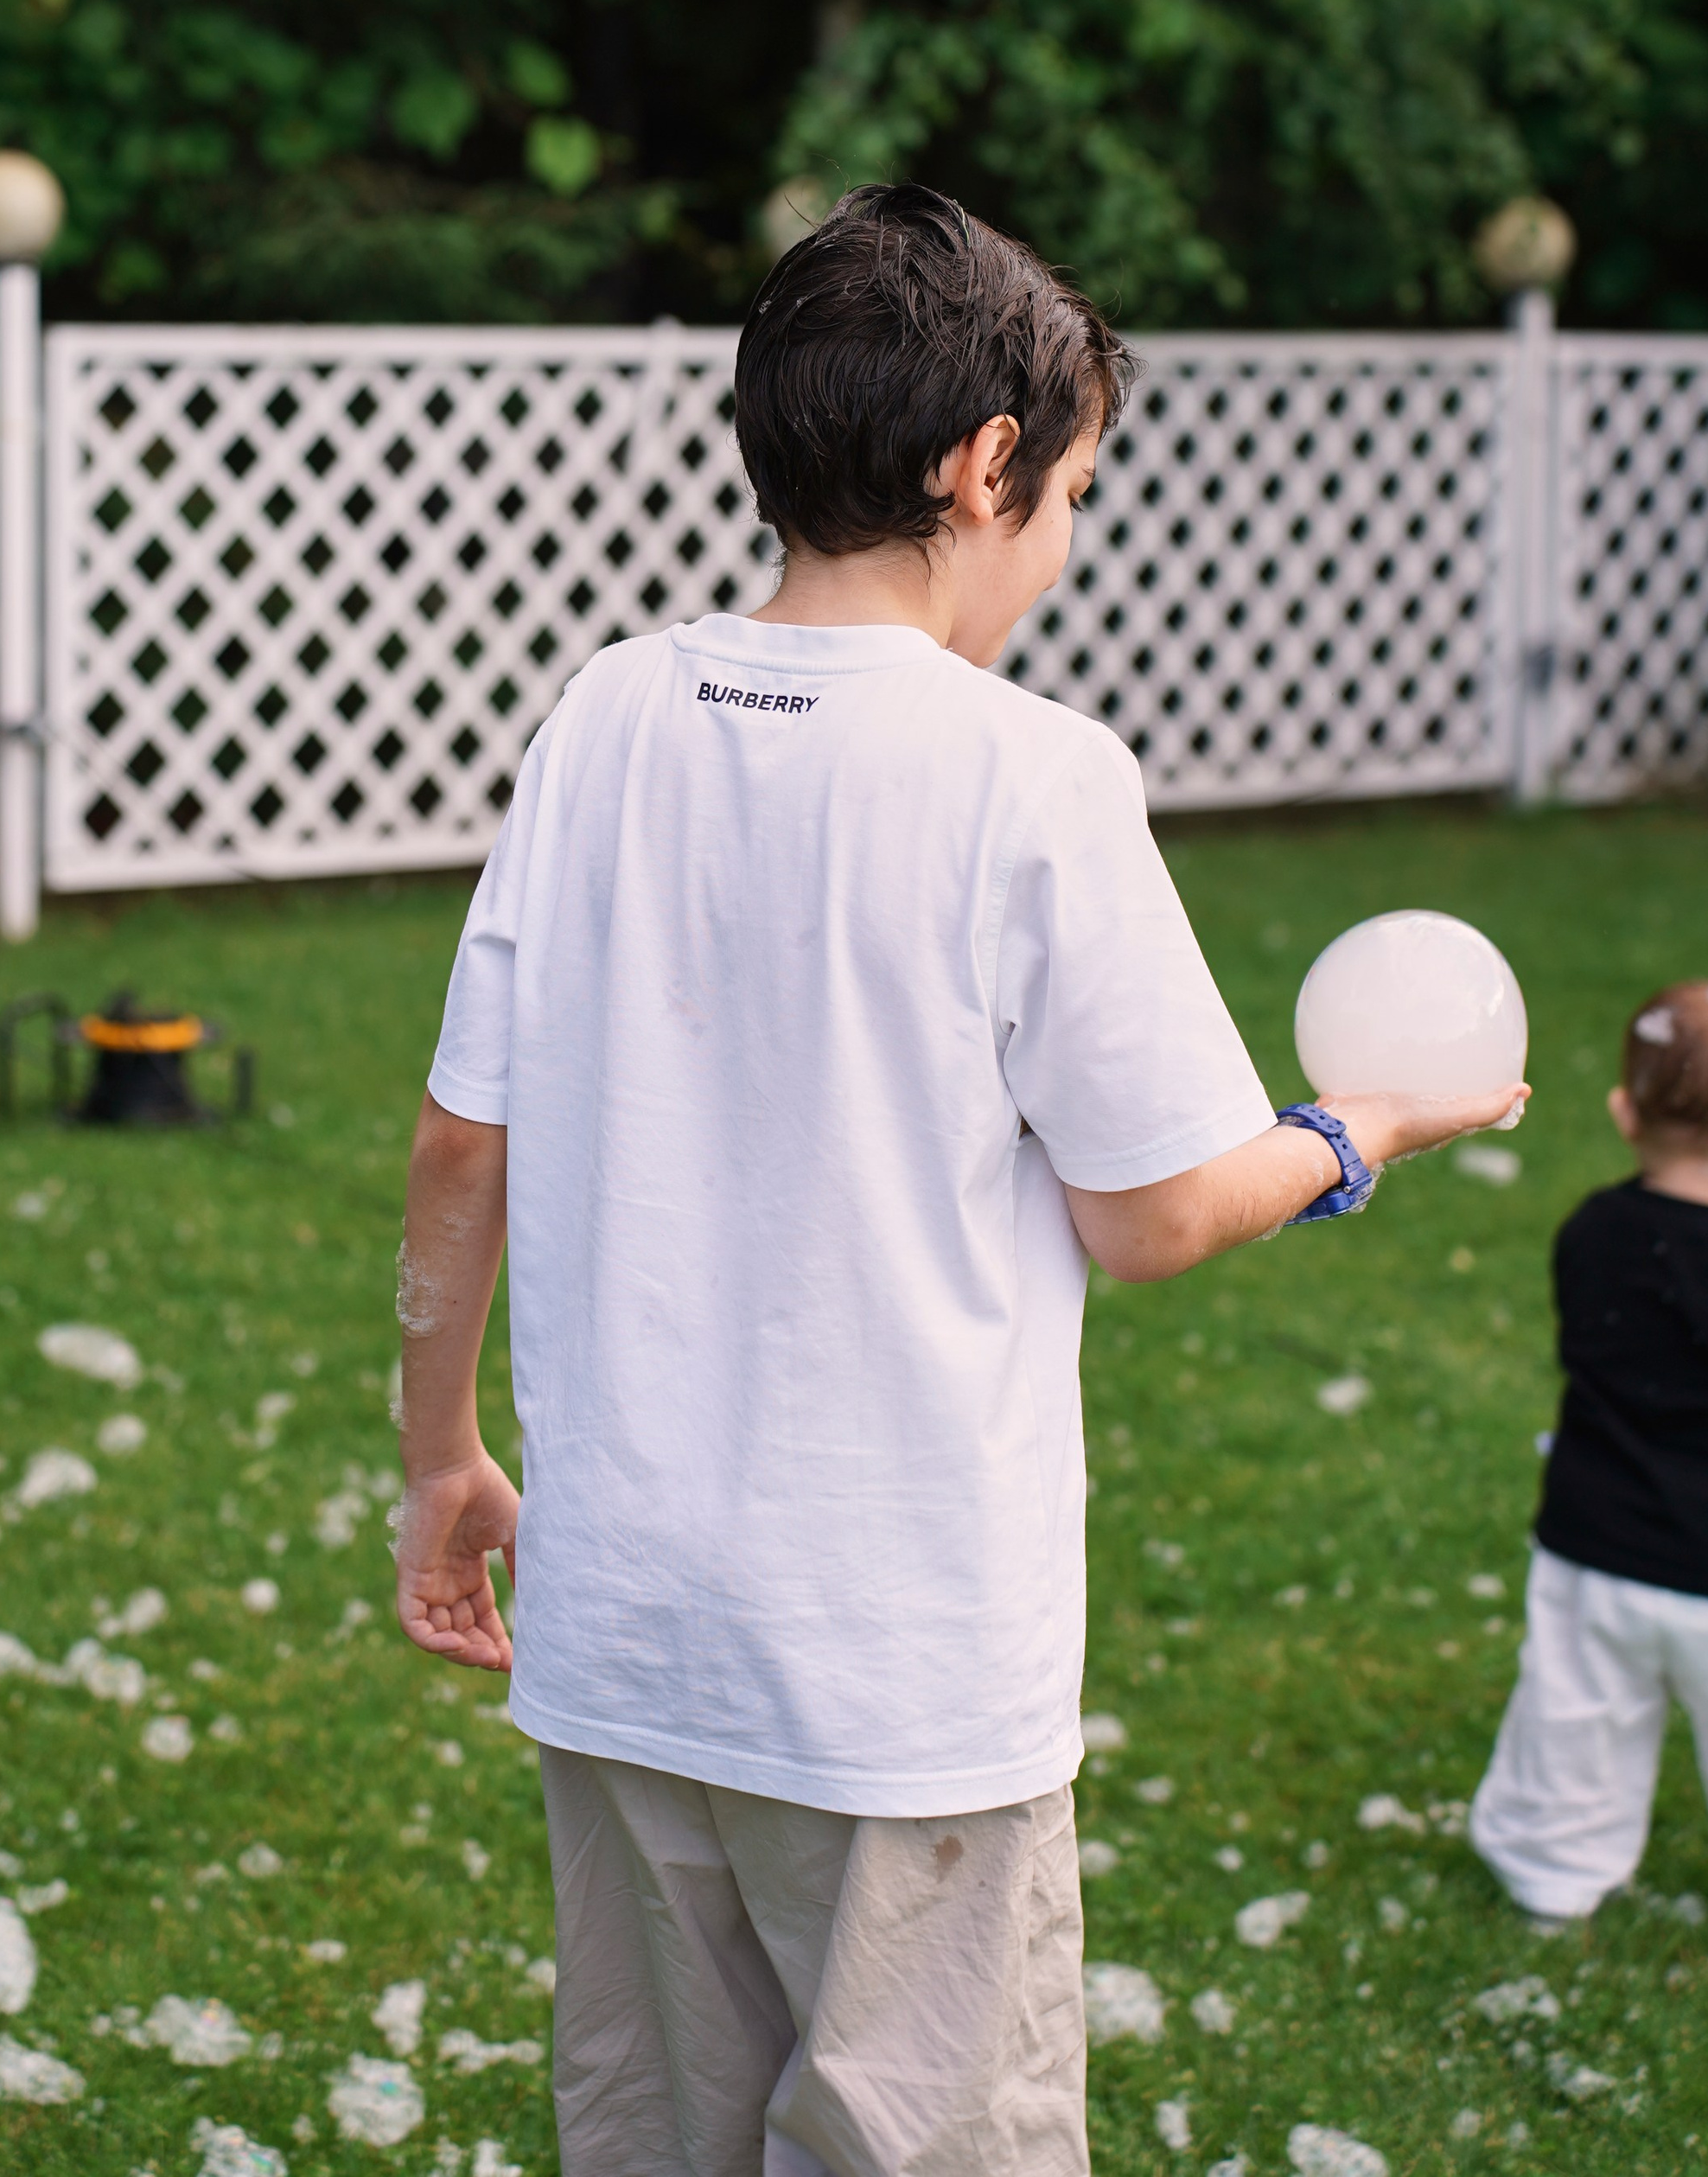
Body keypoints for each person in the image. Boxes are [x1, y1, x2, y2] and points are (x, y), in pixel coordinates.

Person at [394, 184, 1528, 2177]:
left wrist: (438, 1450)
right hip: (896, 1670)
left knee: (653, 2132)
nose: (1064, 539)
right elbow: (1157, 1205)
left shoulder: (598, 715)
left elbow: (455, 1139)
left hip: (625, 1629)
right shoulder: (1032, 774)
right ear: (980, 459)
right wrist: (1360, 1129)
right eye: (1070, 486)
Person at [1471, 978, 1708, 1944]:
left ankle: (1549, 1874)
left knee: (1575, 1725)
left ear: (1624, 1112)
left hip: (1600, 1551)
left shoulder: (1590, 1234)